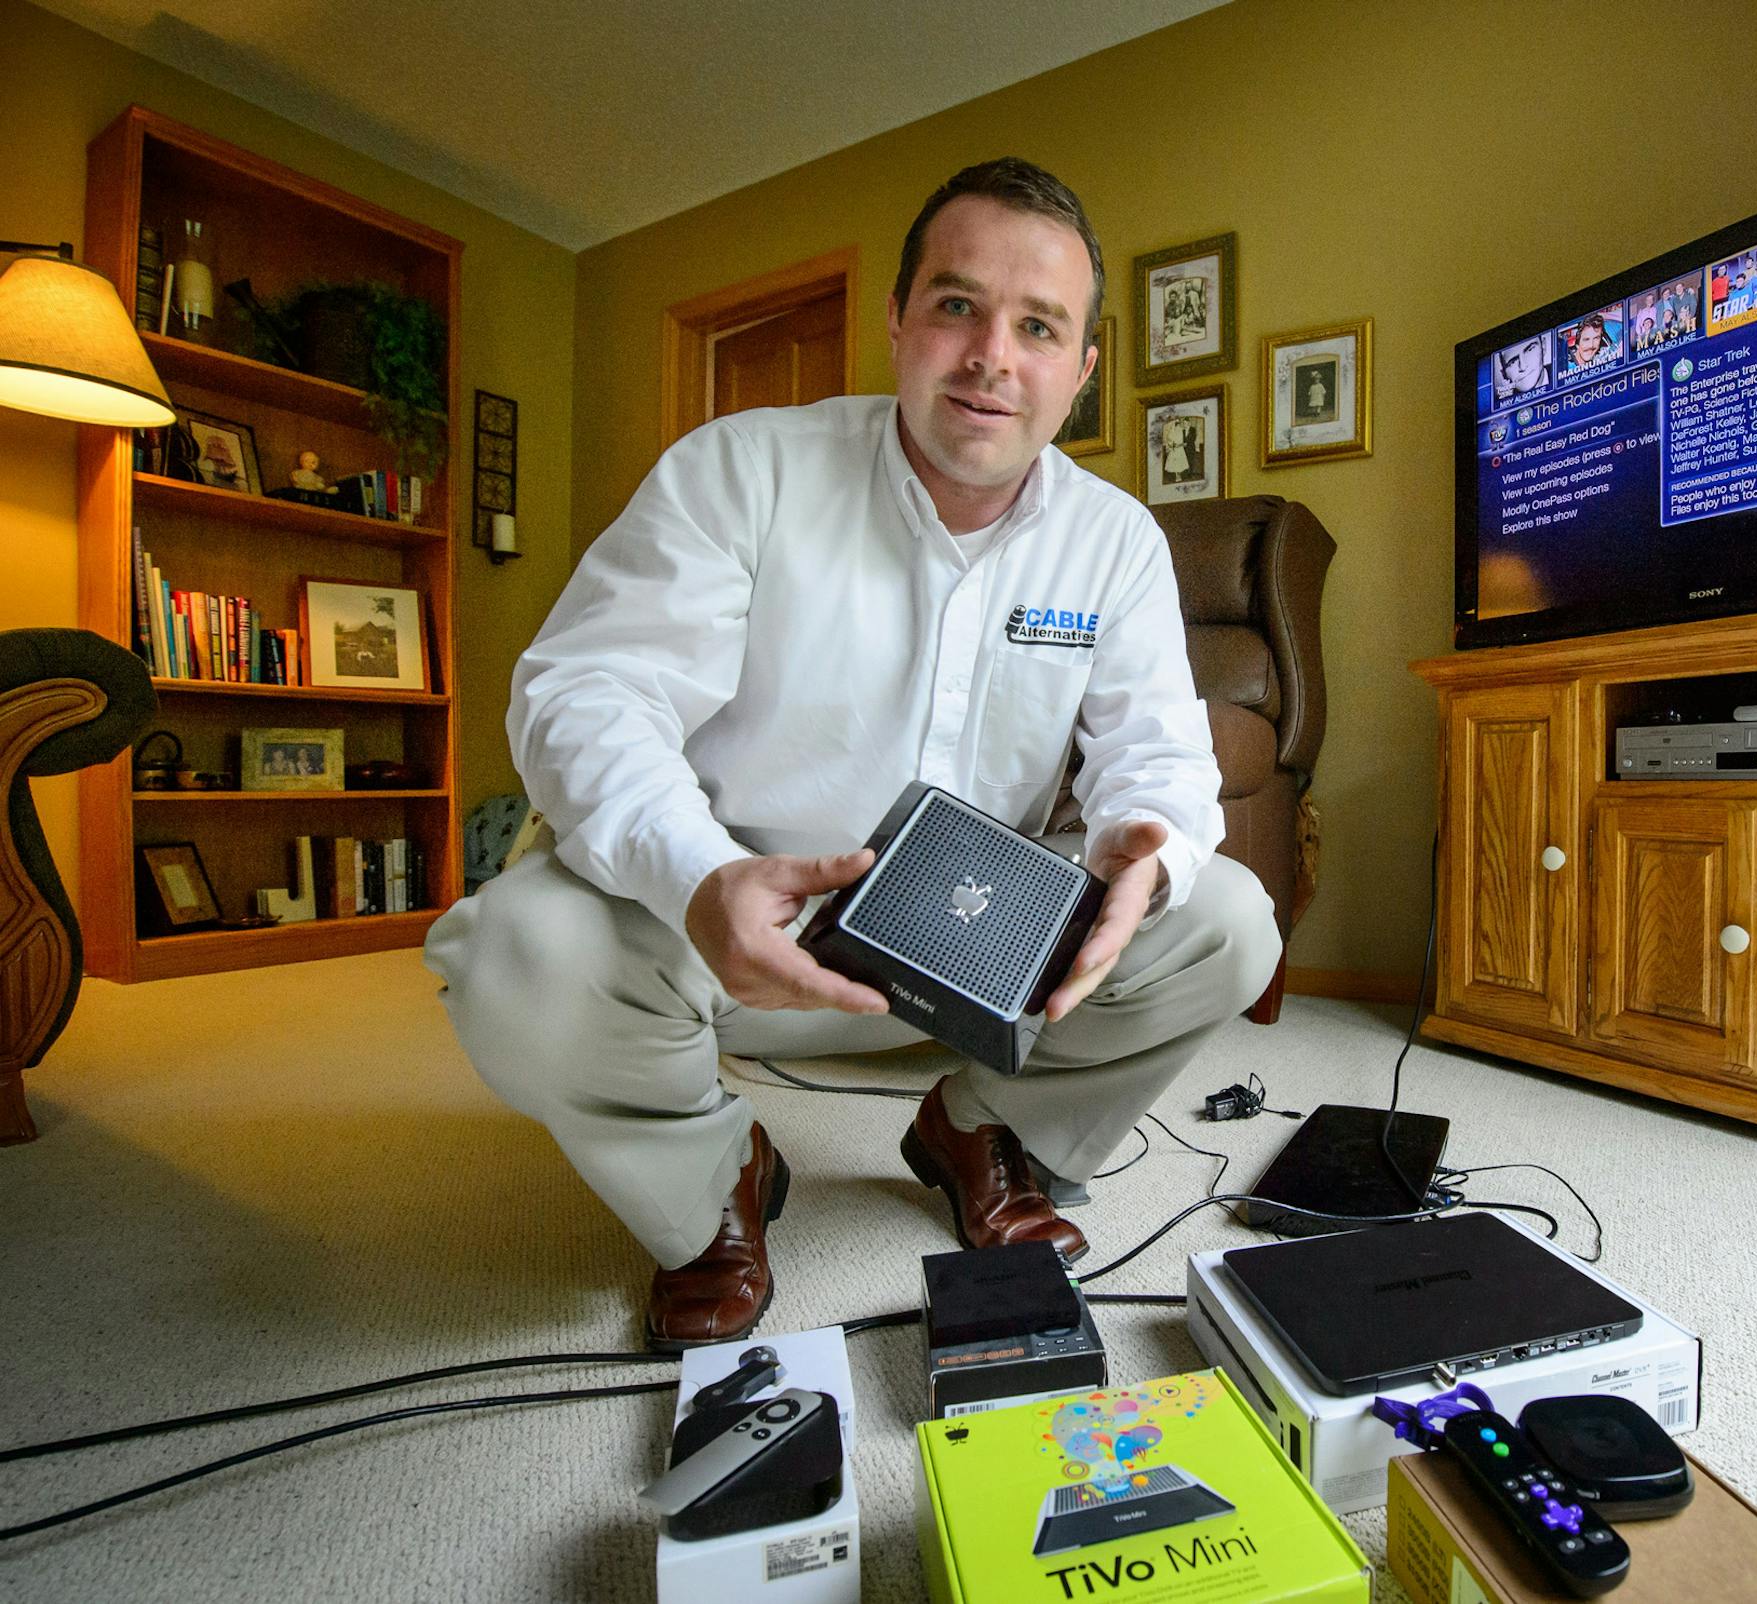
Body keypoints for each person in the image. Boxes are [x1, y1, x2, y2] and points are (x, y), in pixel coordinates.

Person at [422, 158, 1278, 1350]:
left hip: (985, 953)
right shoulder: (739, 470)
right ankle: (712, 1171)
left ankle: (983, 1128)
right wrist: (698, 877)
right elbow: (586, 690)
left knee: (1227, 917)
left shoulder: (1115, 541)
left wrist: (1145, 836)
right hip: (723, 933)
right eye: (956, 305)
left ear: (1081, 372)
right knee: (514, 950)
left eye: (1040, 327)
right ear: (896, 321)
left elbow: (1161, 751)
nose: (993, 356)